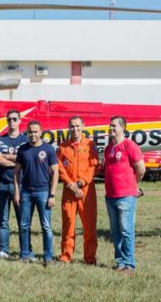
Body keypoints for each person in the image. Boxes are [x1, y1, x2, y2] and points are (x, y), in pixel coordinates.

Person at [104, 116, 145, 273]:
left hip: (126, 195)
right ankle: (120, 262)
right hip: (110, 196)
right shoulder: (109, 148)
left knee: (126, 230)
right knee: (115, 231)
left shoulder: (130, 145)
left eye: (114, 126)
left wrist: (135, 184)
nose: (111, 128)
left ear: (123, 128)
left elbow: (141, 168)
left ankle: (130, 264)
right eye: (110, 125)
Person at [14, 121, 59, 265]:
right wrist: (17, 191)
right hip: (26, 192)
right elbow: (16, 172)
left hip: (43, 193)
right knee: (24, 225)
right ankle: (24, 255)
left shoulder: (49, 149)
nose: (33, 135)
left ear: (41, 132)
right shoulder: (22, 149)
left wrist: (52, 194)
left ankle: (48, 257)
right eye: (30, 132)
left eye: (35, 132)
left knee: (46, 226)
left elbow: (56, 172)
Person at [57, 116, 99, 265]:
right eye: (72, 126)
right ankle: (66, 256)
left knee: (89, 226)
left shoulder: (90, 145)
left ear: (83, 126)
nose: (75, 129)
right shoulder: (63, 147)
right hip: (69, 191)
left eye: (77, 126)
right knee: (68, 224)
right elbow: (60, 169)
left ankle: (90, 258)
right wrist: (71, 185)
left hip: (86, 192)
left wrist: (80, 183)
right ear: (69, 128)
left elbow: (94, 167)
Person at [0, 109, 28, 259]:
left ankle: (24, 251)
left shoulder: (26, 141)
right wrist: (17, 161)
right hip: (2, 185)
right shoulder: (0, 140)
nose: (12, 122)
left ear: (20, 121)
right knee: (3, 220)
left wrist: (6, 156)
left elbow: (27, 161)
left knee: (22, 220)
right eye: (9, 119)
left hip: (20, 185)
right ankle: (3, 250)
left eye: (14, 119)